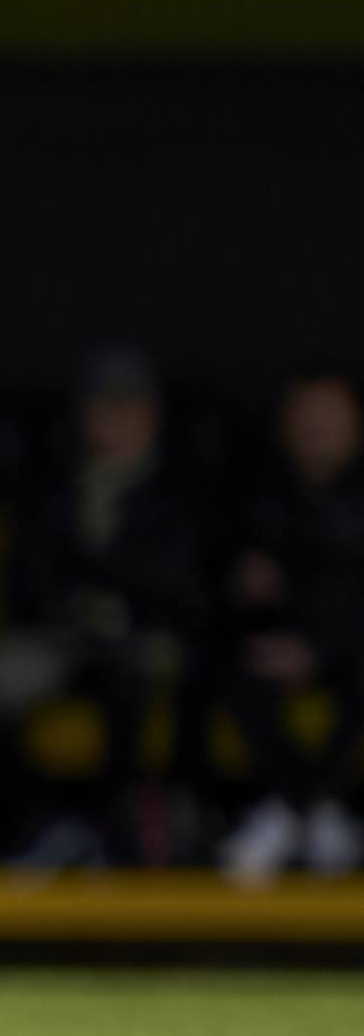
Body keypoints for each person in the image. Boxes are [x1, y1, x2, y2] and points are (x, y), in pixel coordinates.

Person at [0, 347, 199, 876]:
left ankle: (120, 831)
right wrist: (74, 608)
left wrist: (118, 603)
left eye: (128, 407)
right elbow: (25, 575)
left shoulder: (180, 489)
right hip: (62, 636)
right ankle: (37, 825)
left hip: (142, 637)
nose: (115, 420)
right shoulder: (53, 486)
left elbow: (184, 583)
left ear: (152, 415)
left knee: (138, 678)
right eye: (103, 407)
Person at [216, 368, 364, 887]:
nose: (316, 426)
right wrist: (244, 588)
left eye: (330, 413)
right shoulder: (258, 495)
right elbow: (220, 590)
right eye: (306, 412)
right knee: (233, 672)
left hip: (348, 650)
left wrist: (319, 649)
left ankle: (297, 811)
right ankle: (314, 815)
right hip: (276, 648)